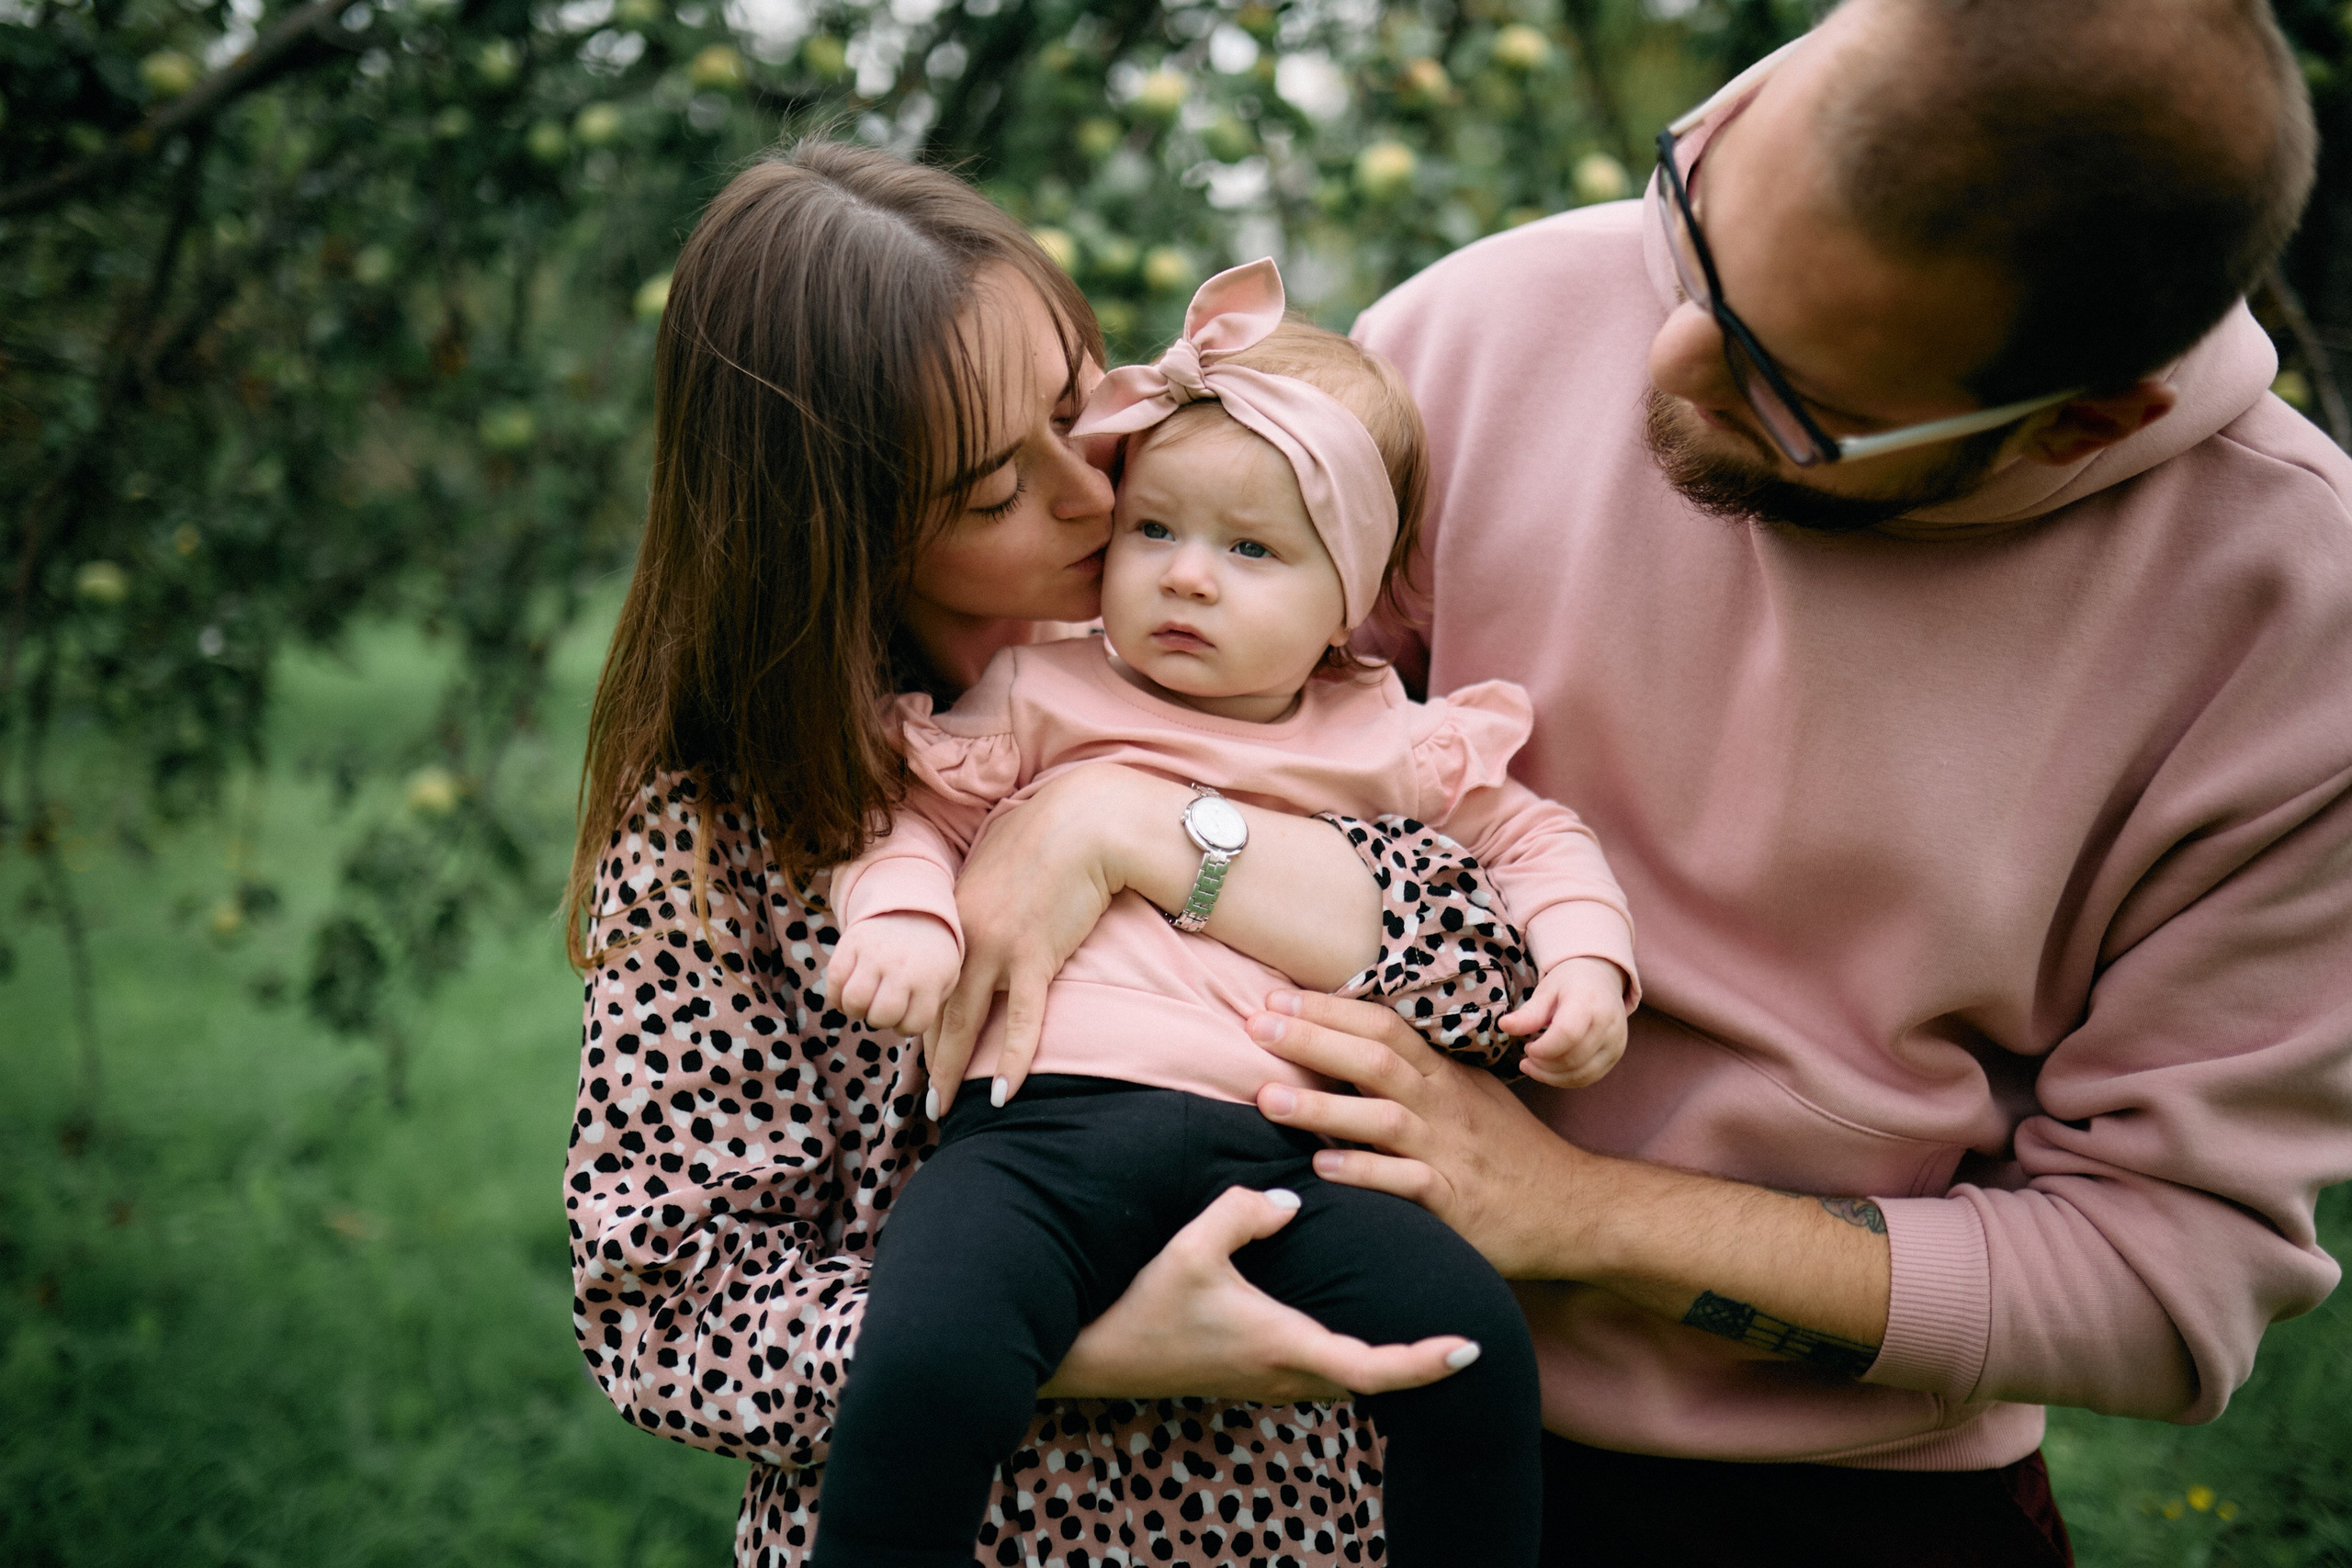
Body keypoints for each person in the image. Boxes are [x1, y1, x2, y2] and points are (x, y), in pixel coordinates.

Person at [1221, 0, 2349, 1562]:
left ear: (2089, 418)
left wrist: (1579, 1213)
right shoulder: (1487, 325)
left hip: (1822, 1511)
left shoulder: (2298, 626)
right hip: (1291, 1407)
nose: (1663, 356)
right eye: (1690, 216)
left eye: (1785, 375)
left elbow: (2166, 1288)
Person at [560, 142, 1535, 1568]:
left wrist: (1136, 827)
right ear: (842, 535)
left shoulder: (1233, 659)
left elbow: (1476, 971)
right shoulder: (726, 832)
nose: (1091, 494)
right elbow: (669, 1318)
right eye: (992, 492)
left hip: (1301, 1531)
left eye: (1078, 403)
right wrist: (1087, 1340)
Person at [810, 262, 1640, 1567]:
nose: (1189, 579)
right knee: (931, 1359)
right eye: (1157, 532)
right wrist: (906, 919)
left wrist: (1586, 957)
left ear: (1345, 599)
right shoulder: (1044, 691)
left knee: (1469, 1351)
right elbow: (908, 818)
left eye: (1252, 551)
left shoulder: (1383, 737)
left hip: (1289, 1156)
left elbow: (1536, 836)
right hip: (1036, 1138)